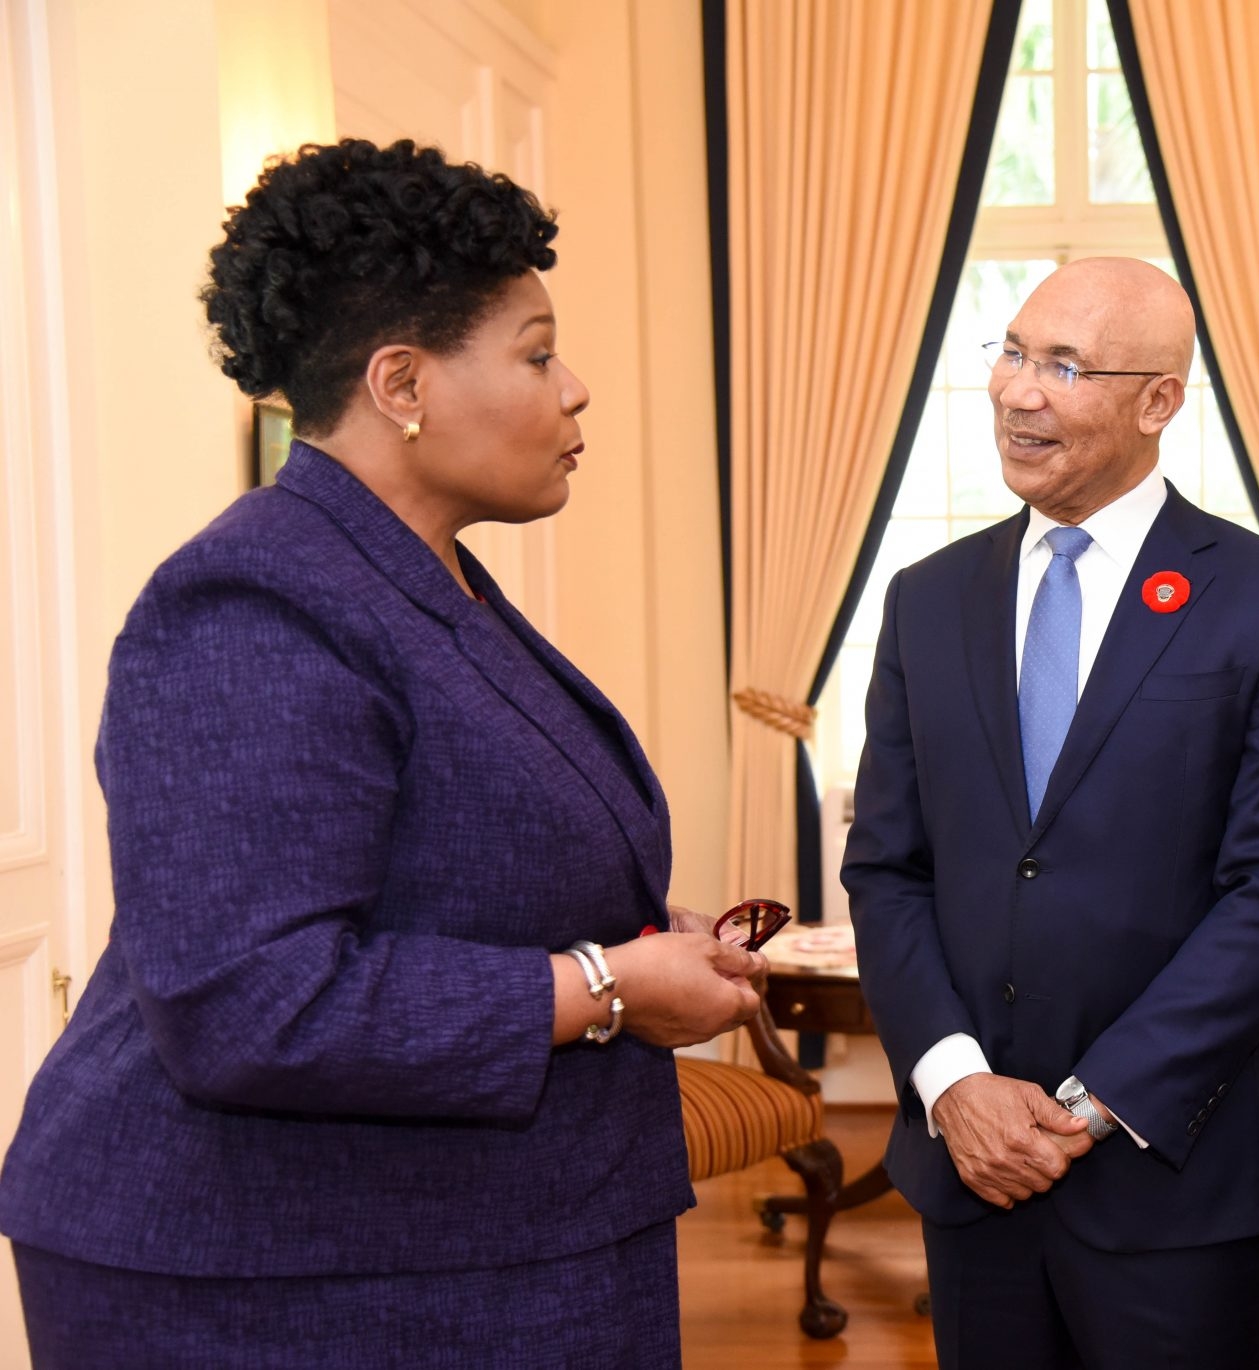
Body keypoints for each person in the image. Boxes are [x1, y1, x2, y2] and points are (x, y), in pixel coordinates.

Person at [0, 139, 766, 1367]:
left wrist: (632, 941)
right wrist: (609, 985)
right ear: (402, 381)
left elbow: (457, 862)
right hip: (277, 1273)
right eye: (534, 352)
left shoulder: (419, 574)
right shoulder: (252, 600)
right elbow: (252, 998)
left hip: (460, 1230)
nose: (574, 388)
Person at [842, 257, 1259, 1370]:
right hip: (970, 1171)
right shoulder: (925, 600)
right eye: (1013, 352)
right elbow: (886, 868)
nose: (1019, 391)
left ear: (1157, 400)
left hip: (1173, 1171)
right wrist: (951, 1080)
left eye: (1063, 366)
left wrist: (1094, 1101)